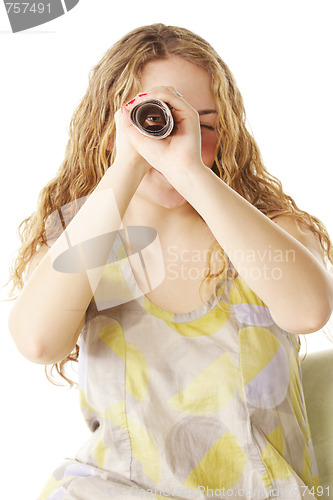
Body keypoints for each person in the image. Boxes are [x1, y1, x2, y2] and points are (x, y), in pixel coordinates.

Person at [7, 23, 333, 500]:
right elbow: (37, 344)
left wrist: (189, 170)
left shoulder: (273, 229)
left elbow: (308, 312)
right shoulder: (86, 244)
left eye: (204, 124)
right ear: (111, 128)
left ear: (227, 133)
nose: (177, 137)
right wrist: (126, 165)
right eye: (154, 118)